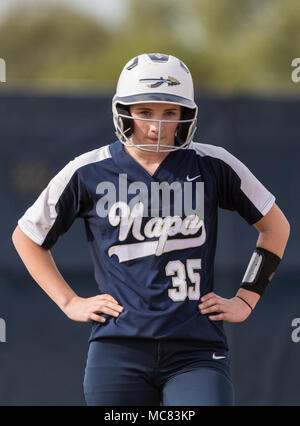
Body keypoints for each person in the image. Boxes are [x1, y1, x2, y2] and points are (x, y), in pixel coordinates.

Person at [12, 53, 290, 406]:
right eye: (145, 112)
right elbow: (26, 236)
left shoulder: (213, 163)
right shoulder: (88, 170)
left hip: (196, 348)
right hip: (118, 347)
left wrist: (246, 298)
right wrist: (69, 302)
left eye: (170, 112)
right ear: (123, 111)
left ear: (185, 115)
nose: (157, 125)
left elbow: (275, 227)